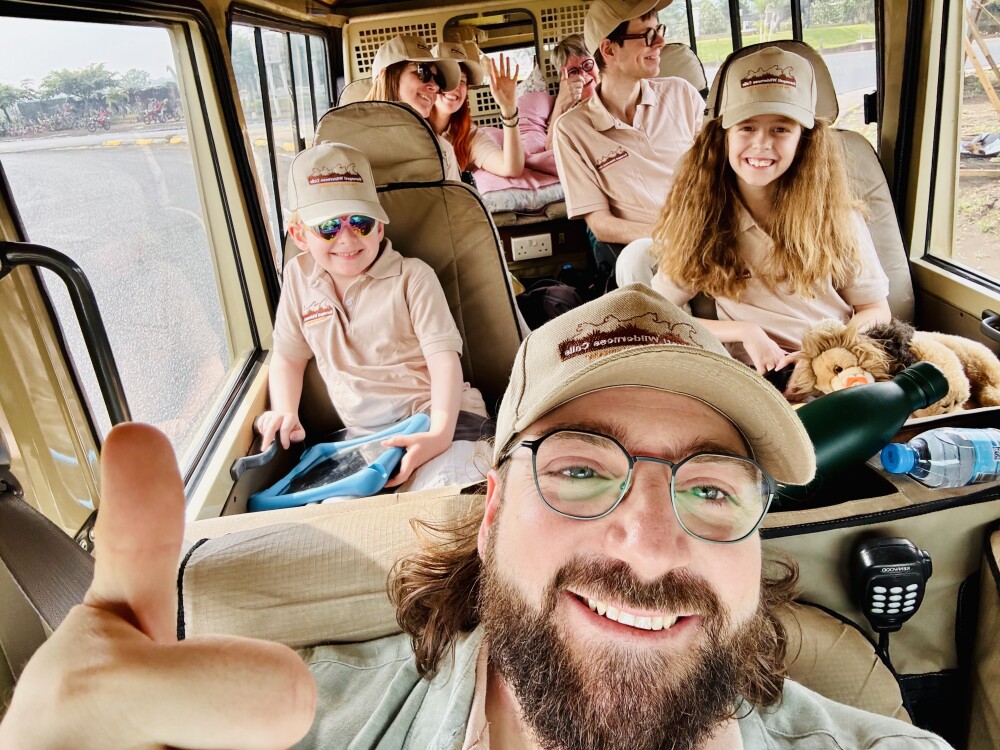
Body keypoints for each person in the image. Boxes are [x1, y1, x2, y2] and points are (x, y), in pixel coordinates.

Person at [0, 285, 955, 750]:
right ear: (491, 514)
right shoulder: (284, 730)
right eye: (580, 470)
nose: (650, 538)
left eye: (712, 489)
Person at [623, 46, 891, 377]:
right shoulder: (703, 220)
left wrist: (824, 352)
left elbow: (876, 310)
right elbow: (652, 315)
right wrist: (744, 332)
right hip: (756, 377)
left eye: (781, 129)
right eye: (747, 127)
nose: (762, 143)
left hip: (835, 368)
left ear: (804, 141)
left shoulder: (837, 217)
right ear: (723, 137)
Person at [256, 140, 487, 490]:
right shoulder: (297, 279)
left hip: (442, 417)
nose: (347, 239)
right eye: (328, 227)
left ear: (380, 227)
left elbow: (444, 361)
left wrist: (439, 435)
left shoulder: (412, 277)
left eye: (360, 222)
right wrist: (285, 410)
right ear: (300, 235)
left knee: (447, 495)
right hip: (366, 440)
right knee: (339, 513)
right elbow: (288, 357)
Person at [552, 0, 704, 278]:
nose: (660, 42)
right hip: (651, 250)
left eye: (659, 30)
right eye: (647, 35)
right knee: (637, 260)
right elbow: (601, 224)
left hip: (709, 234)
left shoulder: (682, 94)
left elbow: (719, 176)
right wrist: (672, 237)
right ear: (609, 49)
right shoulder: (572, 130)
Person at [365, 34, 465, 180]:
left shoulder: (442, 151)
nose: (435, 86)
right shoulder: (349, 140)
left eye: (438, 80)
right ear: (385, 77)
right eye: (422, 72)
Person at [429, 41, 525, 178]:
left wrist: (508, 108)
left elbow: (510, 168)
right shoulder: (410, 126)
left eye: (462, 80)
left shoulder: (468, 136)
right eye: (447, 77)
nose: (455, 87)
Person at [545, 33, 600, 151]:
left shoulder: (616, 92)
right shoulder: (566, 113)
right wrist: (561, 104)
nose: (583, 75)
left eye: (587, 64)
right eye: (573, 72)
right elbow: (551, 149)